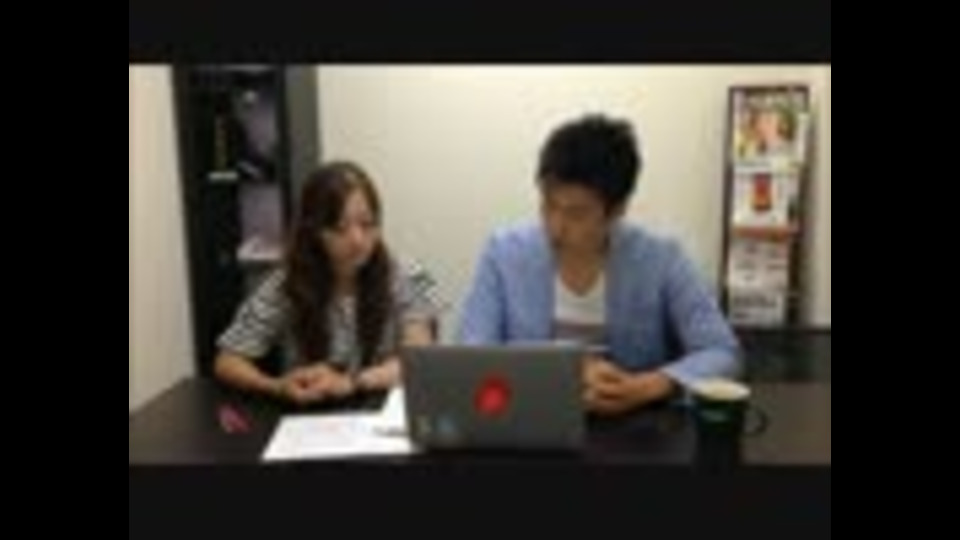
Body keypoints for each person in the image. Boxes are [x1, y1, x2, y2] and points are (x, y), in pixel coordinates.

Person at [457, 114, 741, 416]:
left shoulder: (661, 260)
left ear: (617, 210)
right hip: (530, 420)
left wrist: (650, 385)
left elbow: (722, 352)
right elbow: (470, 354)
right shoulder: (503, 253)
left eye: (576, 214)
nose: (556, 227)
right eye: (548, 205)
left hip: (633, 427)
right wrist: (565, 371)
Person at [214, 161, 445, 405]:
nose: (357, 240)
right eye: (340, 228)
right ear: (314, 231)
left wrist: (352, 382)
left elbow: (418, 361)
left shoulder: (406, 275)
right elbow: (228, 361)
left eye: (367, 224)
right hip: (313, 412)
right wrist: (277, 386)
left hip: (385, 412)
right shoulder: (288, 282)